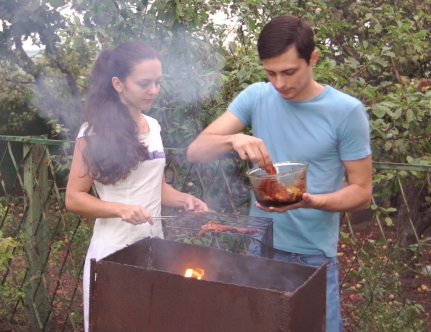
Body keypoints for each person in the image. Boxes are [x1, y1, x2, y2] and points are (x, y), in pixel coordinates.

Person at [187, 15, 372, 332]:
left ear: (312, 59)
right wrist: (233, 138)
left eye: (289, 72)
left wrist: (312, 201)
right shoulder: (256, 96)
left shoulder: (346, 112)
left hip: (313, 257)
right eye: (270, 72)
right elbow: (196, 150)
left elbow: (362, 191)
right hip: (261, 247)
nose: (279, 83)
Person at [65, 40, 208, 332]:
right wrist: (121, 209)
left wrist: (184, 199)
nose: (153, 90)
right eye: (144, 83)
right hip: (113, 252)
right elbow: (74, 198)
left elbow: (156, 186)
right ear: (118, 83)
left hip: (156, 248)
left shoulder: (153, 126)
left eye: (157, 82)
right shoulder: (93, 133)